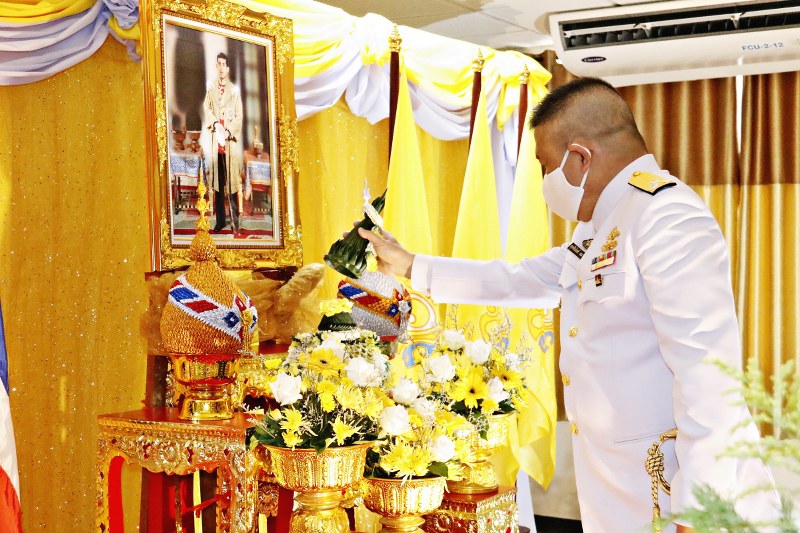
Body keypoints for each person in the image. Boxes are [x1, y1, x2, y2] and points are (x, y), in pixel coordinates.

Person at [359, 77, 779, 532]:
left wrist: (699, 513)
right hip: (620, 492)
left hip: (678, 496)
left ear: (580, 157)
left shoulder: (666, 215)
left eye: (545, 165)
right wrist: (410, 265)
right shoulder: (598, 228)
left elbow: (708, 374)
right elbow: (520, 279)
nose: (545, 181)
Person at [204, 52, 243, 233]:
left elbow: (239, 116)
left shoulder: (234, 90)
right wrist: (214, 124)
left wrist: (228, 131)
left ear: (228, 68)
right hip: (216, 143)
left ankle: (235, 221)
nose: (221, 67)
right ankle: (220, 221)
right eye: (218, 63)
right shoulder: (211, 88)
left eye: (224, 64)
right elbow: (207, 108)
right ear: (216, 66)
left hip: (229, 144)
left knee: (232, 183)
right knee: (218, 186)